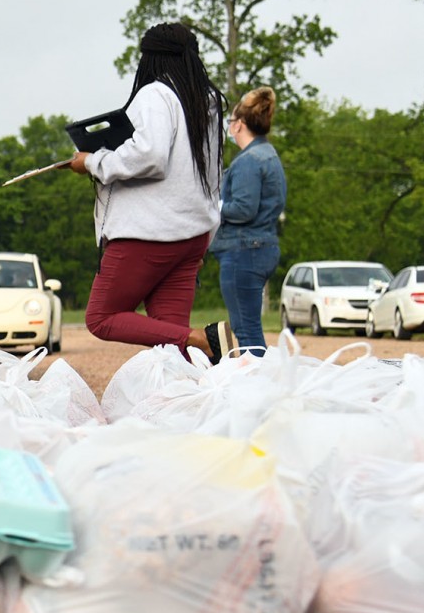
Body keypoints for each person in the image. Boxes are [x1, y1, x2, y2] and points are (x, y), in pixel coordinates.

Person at [67, 21, 238, 365]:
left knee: (101, 316)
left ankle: (199, 338)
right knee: (170, 348)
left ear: (150, 58)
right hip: (192, 235)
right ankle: (184, 407)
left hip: (148, 234)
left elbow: (151, 156)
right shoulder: (208, 103)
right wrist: (206, 237)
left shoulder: (156, 94)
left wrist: (93, 162)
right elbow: (212, 176)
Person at [210, 87, 286, 353]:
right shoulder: (268, 155)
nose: (229, 128)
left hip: (244, 251)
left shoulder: (248, 162)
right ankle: (258, 383)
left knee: (245, 329)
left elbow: (243, 209)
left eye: (230, 122)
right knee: (249, 327)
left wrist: (214, 206)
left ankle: (258, 387)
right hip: (261, 247)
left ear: (239, 125)